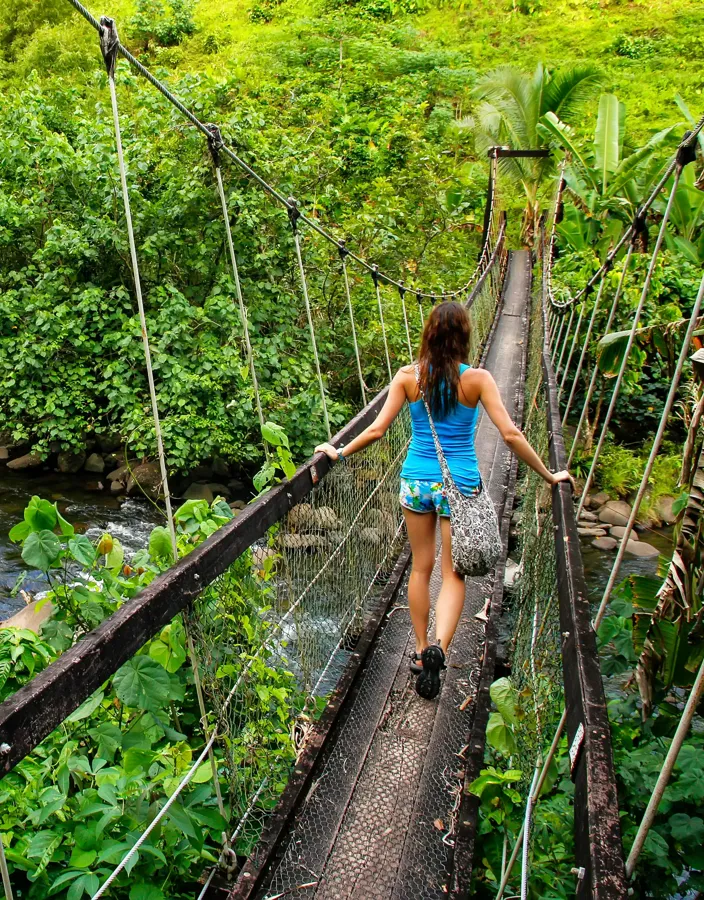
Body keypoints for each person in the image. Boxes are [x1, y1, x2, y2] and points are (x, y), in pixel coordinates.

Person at [315, 301, 573, 700]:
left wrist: (339, 451)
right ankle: (441, 647)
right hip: (461, 486)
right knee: (454, 573)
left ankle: (420, 650)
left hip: (417, 483)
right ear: (465, 336)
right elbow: (510, 435)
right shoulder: (479, 380)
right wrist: (549, 475)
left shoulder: (407, 377)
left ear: (428, 335)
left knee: (421, 568)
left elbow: (378, 430)